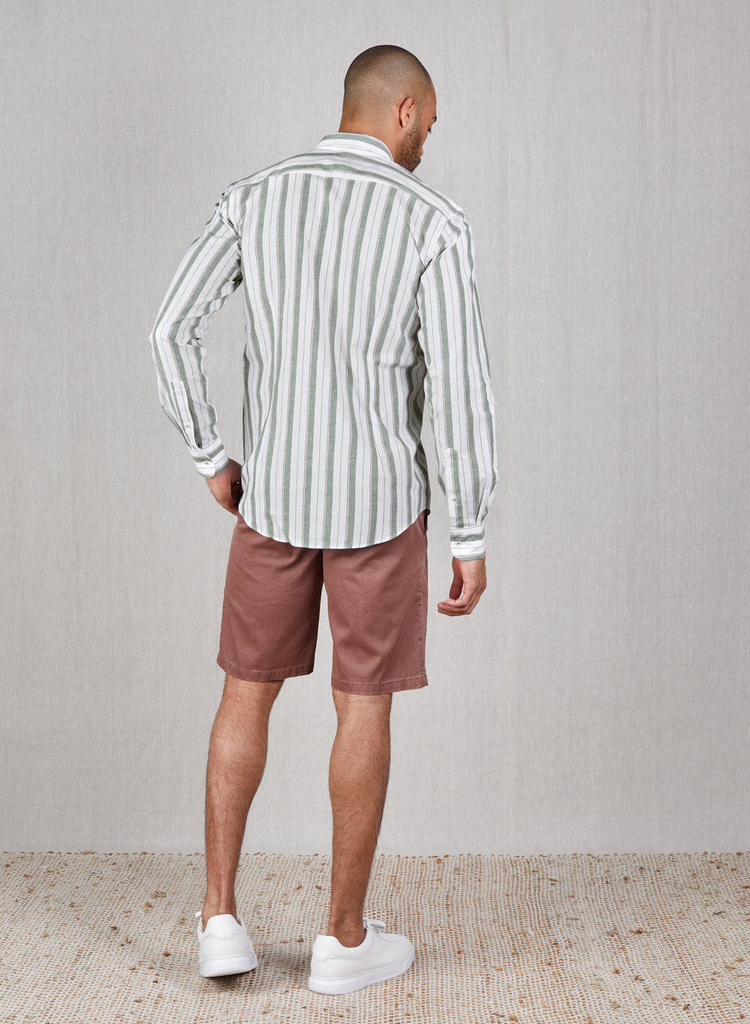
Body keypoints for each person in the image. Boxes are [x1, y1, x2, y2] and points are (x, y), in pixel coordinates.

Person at [148, 43, 497, 996]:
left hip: (271, 501)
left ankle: (219, 921)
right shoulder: (431, 221)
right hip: (379, 510)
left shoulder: (253, 198)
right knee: (364, 706)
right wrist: (468, 530)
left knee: (244, 695)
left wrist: (210, 455)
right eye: (428, 122)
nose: (427, 139)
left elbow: (169, 328)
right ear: (404, 109)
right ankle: (342, 940)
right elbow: (458, 392)